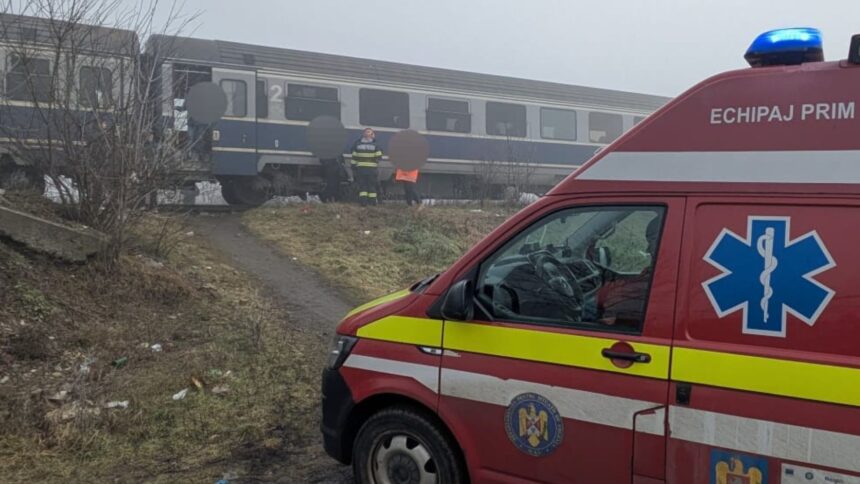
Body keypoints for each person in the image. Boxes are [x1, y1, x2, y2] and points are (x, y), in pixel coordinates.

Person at [595, 216, 661, 328]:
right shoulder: (659, 269)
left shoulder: (667, 274)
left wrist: (620, 318)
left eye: (651, 242)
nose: (647, 249)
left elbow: (639, 298)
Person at [350, 128, 383, 206]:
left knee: (363, 187)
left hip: (361, 169)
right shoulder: (375, 145)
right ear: (372, 135)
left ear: (363, 134)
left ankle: (363, 203)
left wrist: (354, 167)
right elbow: (379, 156)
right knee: (372, 186)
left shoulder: (358, 144)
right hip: (372, 169)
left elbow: (354, 158)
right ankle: (372, 203)